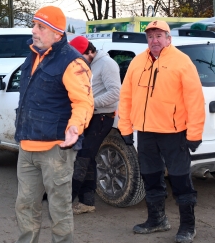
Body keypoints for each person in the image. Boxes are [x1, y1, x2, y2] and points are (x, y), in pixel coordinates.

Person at [118, 20, 205, 243]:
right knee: (151, 177)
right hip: (146, 133)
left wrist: (194, 134)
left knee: (180, 180)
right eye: (150, 36)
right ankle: (157, 220)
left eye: (159, 36)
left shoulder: (182, 62)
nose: (154, 40)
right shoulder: (137, 62)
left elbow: (195, 101)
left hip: (174, 133)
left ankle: (188, 226)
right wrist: (125, 127)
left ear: (168, 38)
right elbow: (125, 97)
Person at [14, 6, 94, 243]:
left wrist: (75, 127)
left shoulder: (72, 62)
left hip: (55, 149)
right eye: (34, 25)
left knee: (58, 210)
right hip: (26, 146)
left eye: (41, 27)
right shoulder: (33, 55)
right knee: (25, 207)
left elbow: (84, 101)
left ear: (58, 34)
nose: (34, 31)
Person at [68, 36, 120, 215]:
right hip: (90, 116)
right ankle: (87, 202)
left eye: (80, 57)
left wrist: (89, 103)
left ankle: (66, 200)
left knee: (83, 157)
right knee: (88, 159)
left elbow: (115, 93)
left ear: (90, 51)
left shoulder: (106, 64)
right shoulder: (85, 64)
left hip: (102, 117)